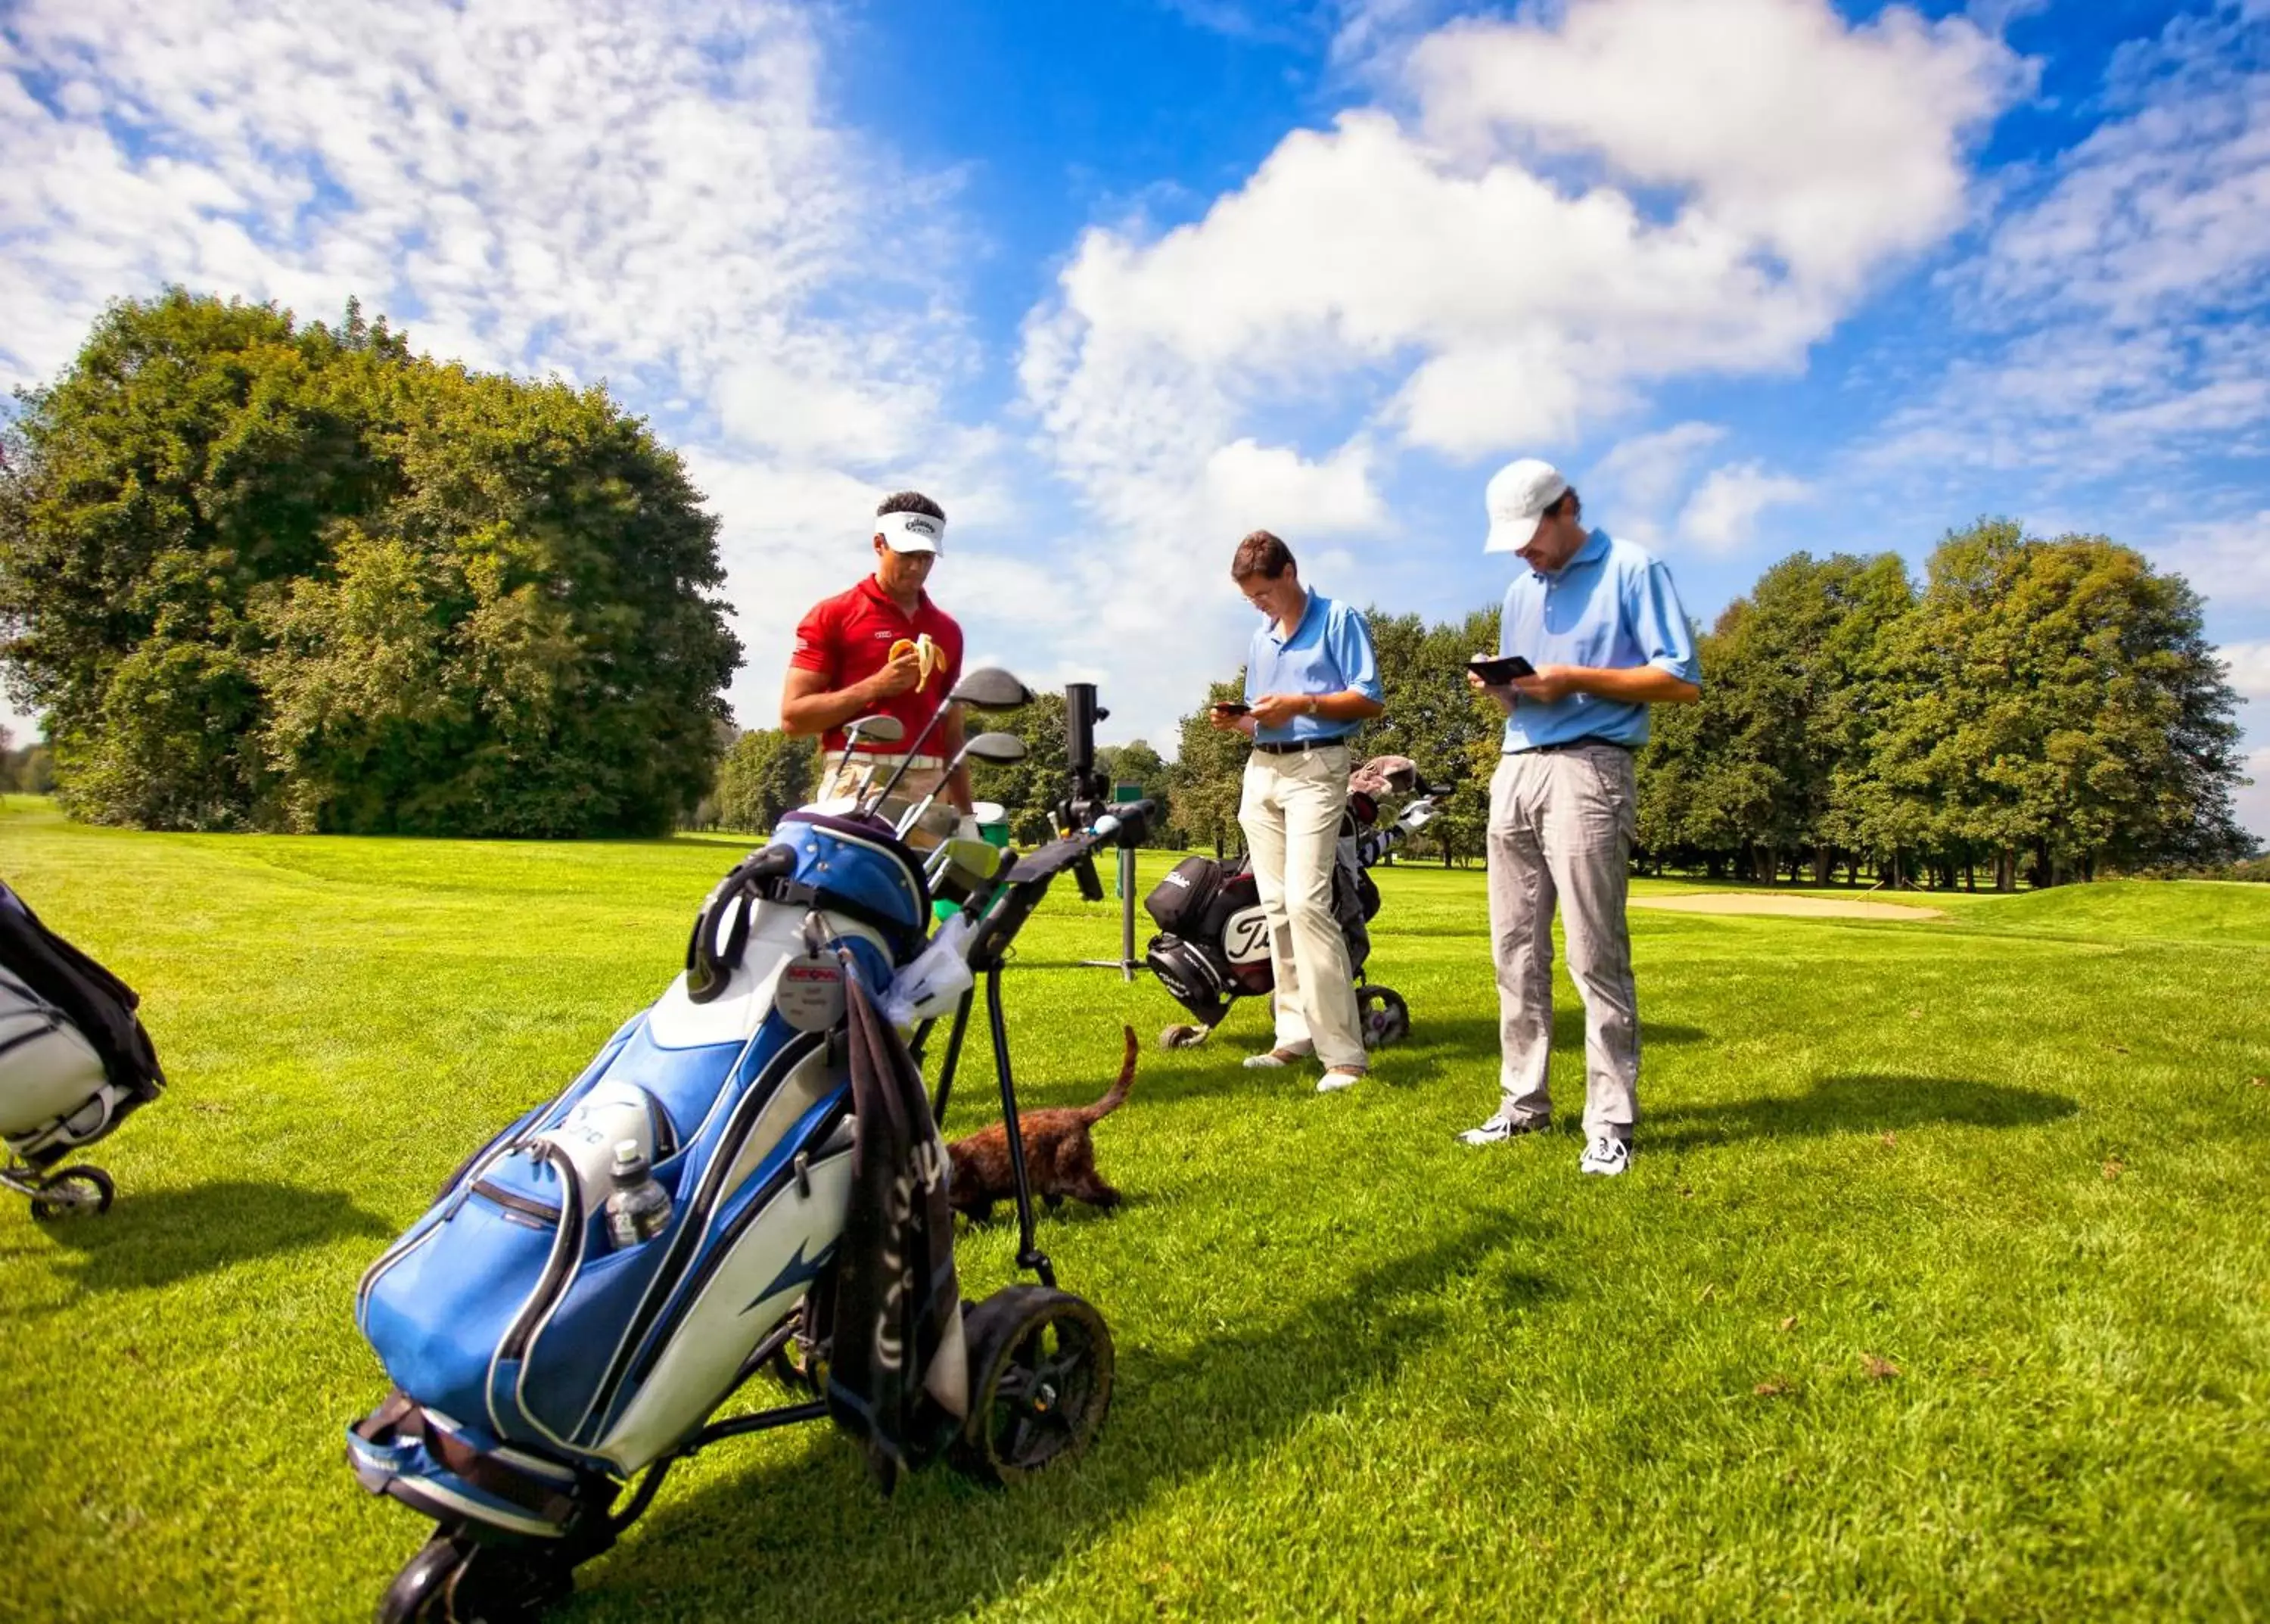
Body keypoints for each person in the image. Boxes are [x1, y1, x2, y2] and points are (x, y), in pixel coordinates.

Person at [1459, 459, 1701, 1175]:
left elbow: (1680, 679)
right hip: (1518, 766)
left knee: (1594, 950)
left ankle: (1612, 1122)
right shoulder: (1519, 589)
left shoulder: (1633, 567)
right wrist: (1503, 688)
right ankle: (1522, 1106)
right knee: (1514, 949)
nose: (1522, 552)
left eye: (1530, 535)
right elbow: (1531, 697)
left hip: (1593, 768)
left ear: (1567, 507)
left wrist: (1573, 678)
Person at [1207, 531, 1385, 1093]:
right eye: (1250, 599)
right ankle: (1292, 1037)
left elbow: (1369, 697)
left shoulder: (1339, 620)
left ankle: (1345, 1056)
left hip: (1317, 769)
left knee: (1309, 902)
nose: (1259, 605)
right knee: (1276, 904)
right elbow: (1265, 718)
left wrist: (1304, 703)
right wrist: (1238, 721)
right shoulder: (1262, 640)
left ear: (1289, 573)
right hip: (1262, 771)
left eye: (1263, 593)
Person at [780, 492, 970, 839]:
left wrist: (967, 817)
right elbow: (794, 718)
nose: (917, 567)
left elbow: (952, 735)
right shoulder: (833, 615)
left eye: (927, 557)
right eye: (907, 555)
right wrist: (875, 687)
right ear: (879, 544)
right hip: (855, 777)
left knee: (918, 893)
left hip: (929, 787)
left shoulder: (948, 631)